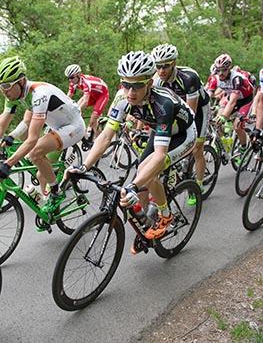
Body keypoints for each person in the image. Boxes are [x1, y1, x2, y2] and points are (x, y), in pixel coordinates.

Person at [67, 50, 197, 253]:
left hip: (184, 134)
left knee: (147, 171)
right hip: (160, 129)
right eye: (126, 84)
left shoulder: (163, 104)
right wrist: (84, 166)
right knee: (141, 177)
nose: (130, 91)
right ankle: (146, 225)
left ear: (149, 83)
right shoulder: (122, 99)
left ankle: (165, 215)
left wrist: (134, 187)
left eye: (137, 85)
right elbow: (106, 136)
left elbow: (160, 155)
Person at [0, 56, 85, 212]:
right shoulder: (17, 94)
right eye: (0, 86)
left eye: (6, 86)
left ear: (21, 81)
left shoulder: (40, 94)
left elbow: (32, 139)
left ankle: (56, 193)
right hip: (57, 127)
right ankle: (50, 205)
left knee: (34, 152)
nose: (4, 91)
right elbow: (24, 122)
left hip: (74, 126)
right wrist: (11, 136)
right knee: (41, 175)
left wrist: (8, 164)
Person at [151, 43, 210, 205]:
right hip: (178, 109)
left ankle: (198, 185)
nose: (161, 70)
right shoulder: (156, 81)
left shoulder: (188, 78)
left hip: (199, 109)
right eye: (158, 66)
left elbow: (191, 113)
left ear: (174, 63)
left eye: (166, 66)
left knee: (197, 148)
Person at [208, 54, 254, 159]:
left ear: (229, 69)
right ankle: (224, 142)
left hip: (245, 100)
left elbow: (232, 101)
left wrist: (224, 117)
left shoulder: (236, 78)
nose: (220, 73)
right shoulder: (214, 78)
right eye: (218, 70)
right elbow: (207, 95)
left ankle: (243, 149)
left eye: (223, 70)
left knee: (237, 126)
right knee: (216, 122)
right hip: (231, 97)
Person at [64, 64, 109, 140]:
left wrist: (77, 112)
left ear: (78, 75)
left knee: (93, 118)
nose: (70, 80)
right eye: (68, 78)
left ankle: (100, 139)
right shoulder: (73, 82)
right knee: (75, 106)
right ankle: (85, 133)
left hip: (102, 95)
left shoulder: (86, 83)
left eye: (71, 77)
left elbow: (85, 101)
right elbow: (68, 96)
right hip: (92, 94)